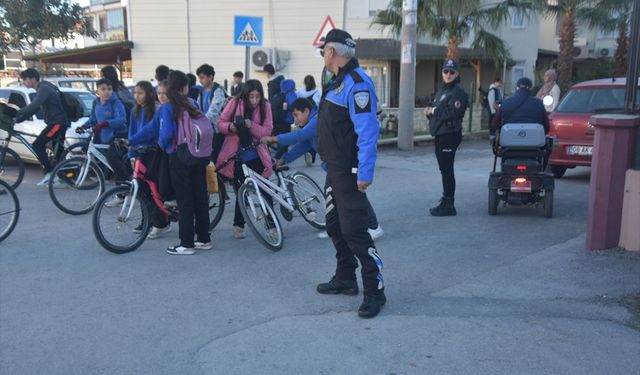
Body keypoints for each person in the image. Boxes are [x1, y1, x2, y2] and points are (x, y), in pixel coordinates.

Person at [316, 29, 386, 319]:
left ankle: (375, 290)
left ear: (332, 52)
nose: (323, 56)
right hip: (334, 169)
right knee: (334, 225)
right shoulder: (337, 83)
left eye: (323, 51)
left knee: (355, 231)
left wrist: (365, 172)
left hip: (350, 171)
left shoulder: (356, 85)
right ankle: (345, 277)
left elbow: (368, 131)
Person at [260, 97, 384, 241]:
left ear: (306, 111)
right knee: (332, 195)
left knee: (354, 193)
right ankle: (333, 228)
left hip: (345, 161)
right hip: (334, 165)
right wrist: (284, 159)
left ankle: (374, 226)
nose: (295, 120)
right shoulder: (312, 125)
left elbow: (300, 136)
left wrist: (273, 139)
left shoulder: (318, 118)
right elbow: (303, 144)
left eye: (296, 115)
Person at [158, 70, 212, 255]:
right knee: (200, 198)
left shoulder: (169, 106)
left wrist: (162, 147)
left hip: (179, 156)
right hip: (198, 154)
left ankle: (186, 243)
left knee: (185, 200)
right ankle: (204, 239)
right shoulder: (193, 103)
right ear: (185, 87)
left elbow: (165, 135)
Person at [216, 79, 274, 240]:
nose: (255, 100)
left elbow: (267, 131)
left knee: (265, 190)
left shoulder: (265, 106)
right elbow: (220, 122)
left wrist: (250, 125)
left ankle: (271, 226)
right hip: (237, 157)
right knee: (242, 191)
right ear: (245, 96)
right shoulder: (235, 103)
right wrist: (231, 127)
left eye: (258, 97)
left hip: (258, 155)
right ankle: (238, 225)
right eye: (251, 97)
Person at [127, 81, 171, 240]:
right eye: (135, 93)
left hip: (154, 153)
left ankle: (160, 222)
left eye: (140, 93)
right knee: (141, 189)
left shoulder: (158, 109)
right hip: (140, 153)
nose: (137, 96)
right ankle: (147, 220)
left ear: (149, 94)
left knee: (154, 189)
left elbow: (156, 132)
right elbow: (132, 133)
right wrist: (131, 153)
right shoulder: (134, 111)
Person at [424, 59, 469, 217]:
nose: (448, 74)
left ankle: (449, 204)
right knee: (444, 169)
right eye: (446, 71)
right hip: (440, 133)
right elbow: (438, 111)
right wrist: (430, 112)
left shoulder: (458, 91)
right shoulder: (443, 90)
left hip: (450, 134)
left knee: (447, 170)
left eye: (452, 72)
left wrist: (434, 111)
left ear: (457, 74)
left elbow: (454, 113)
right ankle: (446, 199)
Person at [13, 68, 70, 186]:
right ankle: (62, 178)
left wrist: (15, 112)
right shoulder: (41, 89)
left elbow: (33, 105)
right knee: (58, 152)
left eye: (25, 79)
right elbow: (34, 109)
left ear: (33, 79)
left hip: (57, 123)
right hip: (57, 122)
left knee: (37, 144)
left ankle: (49, 174)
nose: (24, 82)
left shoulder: (44, 88)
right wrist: (18, 120)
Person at [76, 79, 128, 188]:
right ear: (97, 91)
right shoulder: (96, 102)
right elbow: (93, 119)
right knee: (87, 148)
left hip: (118, 135)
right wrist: (84, 126)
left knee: (112, 158)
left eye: (109, 89)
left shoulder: (116, 103)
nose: (107, 92)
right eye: (103, 89)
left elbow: (122, 120)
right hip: (104, 135)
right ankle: (106, 174)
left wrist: (105, 124)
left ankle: (123, 187)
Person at [195, 64, 227, 131]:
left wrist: (200, 122)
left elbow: (213, 112)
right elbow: (197, 108)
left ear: (210, 77)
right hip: (205, 128)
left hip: (216, 130)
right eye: (199, 78)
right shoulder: (202, 91)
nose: (200, 81)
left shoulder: (218, 91)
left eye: (202, 78)